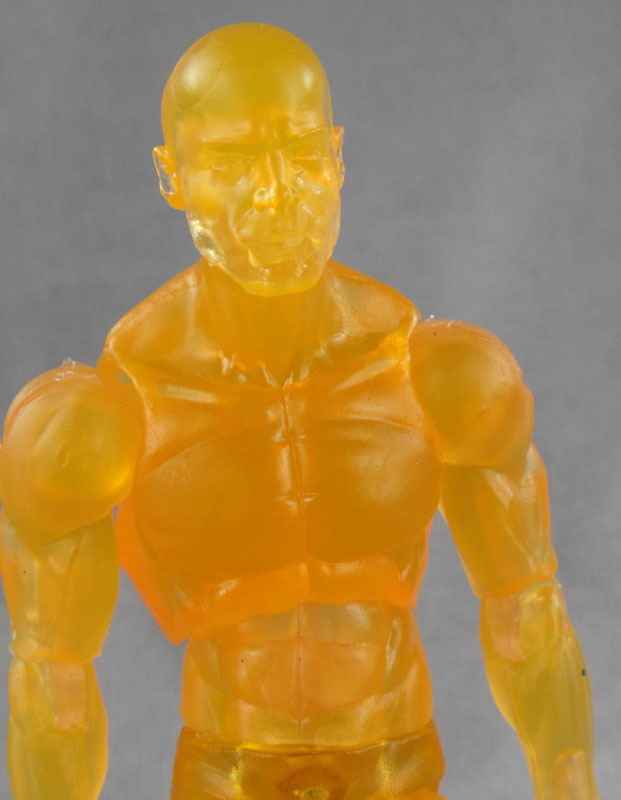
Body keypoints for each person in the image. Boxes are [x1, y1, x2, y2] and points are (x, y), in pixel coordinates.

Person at [0, 22, 598, 800]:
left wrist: (570, 783)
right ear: (171, 176)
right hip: (227, 769)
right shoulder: (103, 418)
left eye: (305, 155)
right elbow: (55, 687)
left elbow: (528, 619)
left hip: (396, 763)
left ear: (338, 158)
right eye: (230, 163)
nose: (277, 195)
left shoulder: (441, 377)